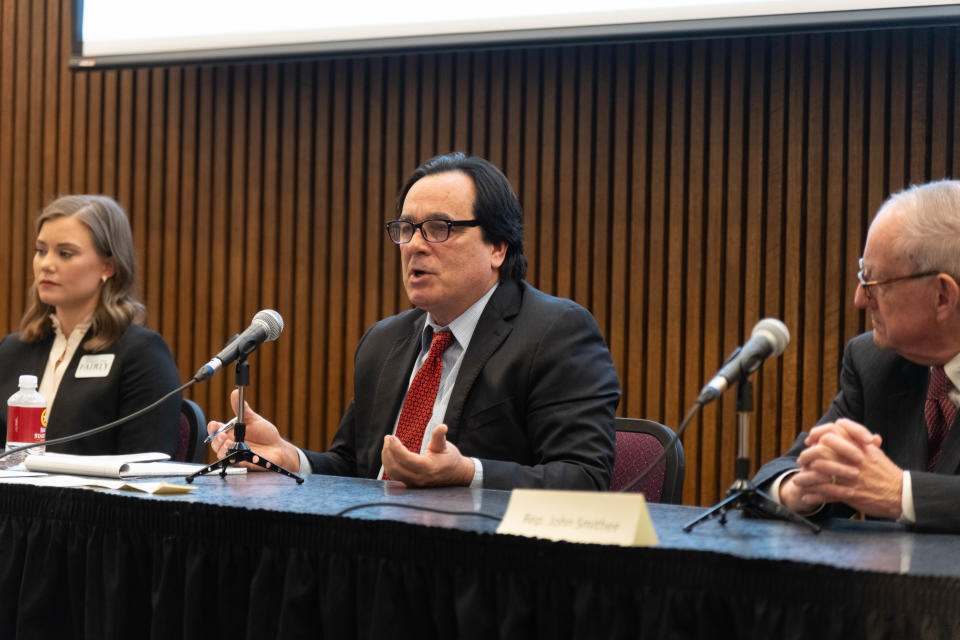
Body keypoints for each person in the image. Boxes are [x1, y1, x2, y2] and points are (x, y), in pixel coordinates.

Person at [207, 153, 620, 490]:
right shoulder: (384, 341)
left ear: (498, 246)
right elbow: (358, 467)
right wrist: (289, 458)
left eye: (439, 228)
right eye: (406, 229)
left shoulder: (555, 332)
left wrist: (468, 473)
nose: (416, 246)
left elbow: (584, 478)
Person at [754, 179, 960, 531]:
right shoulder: (875, 364)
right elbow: (784, 469)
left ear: (942, 296)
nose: (859, 299)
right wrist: (798, 489)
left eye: (873, 283)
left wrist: (900, 493)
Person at [0, 195, 182, 456]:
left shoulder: (142, 355)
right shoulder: (11, 351)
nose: (46, 265)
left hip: (94, 498)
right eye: (41, 250)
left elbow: (145, 471)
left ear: (108, 266)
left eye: (65, 253)